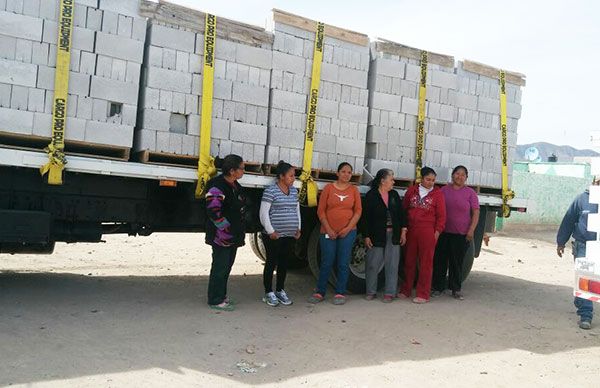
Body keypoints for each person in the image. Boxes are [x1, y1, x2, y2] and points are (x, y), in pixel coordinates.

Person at [309, 162, 362, 305]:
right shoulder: (328, 189)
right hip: (327, 232)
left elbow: (358, 211)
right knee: (327, 261)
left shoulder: (354, 190)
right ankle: (320, 292)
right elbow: (321, 211)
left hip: (348, 232)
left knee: (343, 263)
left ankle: (340, 292)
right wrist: (329, 229)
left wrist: (347, 228)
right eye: (343, 171)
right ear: (337, 173)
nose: (346, 174)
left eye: (349, 172)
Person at [205, 154, 247, 311]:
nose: (244, 171)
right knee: (219, 267)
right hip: (221, 238)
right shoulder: (217, 186)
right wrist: (226, 230)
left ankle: (222, 296)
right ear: (232, 170)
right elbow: (214, 211)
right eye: (242, 168)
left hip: (233, 237)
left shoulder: (236, 186)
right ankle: (215, 299)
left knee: (227, 267)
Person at [432, 165, 480, 300]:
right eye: (457, 173)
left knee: (457, 262)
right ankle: (438, 287)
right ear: (452, 175)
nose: (460, 176)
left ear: (466, 178)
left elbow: (476, 213)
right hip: (443, 232)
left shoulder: (470, 193)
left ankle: (456, 289)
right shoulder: (443, 191)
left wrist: (471, 230)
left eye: (463, 175)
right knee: (440, 261)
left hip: (461, 234)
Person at [400, 166, 446, 304]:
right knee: (409, 260)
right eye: (428, 179)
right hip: (412, 229)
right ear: (421, 178)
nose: (431, 182)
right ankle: (406, 289)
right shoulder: (411, 191)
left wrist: (436, 233)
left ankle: (423, 293)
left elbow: (442, 217)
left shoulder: (438, 195)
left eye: (433, 180)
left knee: (426, 263)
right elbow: (404, 208)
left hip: (427, 231)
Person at [259, 161, 301, 307]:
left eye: (293, 176)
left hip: (289, 234)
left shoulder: (294, 191)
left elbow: (296, 211)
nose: (293, 178)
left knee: (284, 263)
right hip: (274, 235)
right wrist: (271, 231)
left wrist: (298, 228)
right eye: (290, 176)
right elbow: (263, 213)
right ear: (281, 176)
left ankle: (280, 290)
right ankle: (268, 292)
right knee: (271, 262)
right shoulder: (271, 191)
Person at [557, 183, 598, 330]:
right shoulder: (581, 200)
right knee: (586, 279)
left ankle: (580, 300)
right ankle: (586, 315)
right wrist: (561, 242)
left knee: (588, 281)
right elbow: (568, 220)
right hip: (583, 246)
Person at [363, 168, 408, 302]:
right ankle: (371, 291)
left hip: (393, 235)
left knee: (392, 264)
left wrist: (403, 232)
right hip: (376, 235)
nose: (393, 181)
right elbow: (365, 218)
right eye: (391, 179)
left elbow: (401, 214)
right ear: (383, 181)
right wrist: (366, 235)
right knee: (372, 264)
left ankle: (390, 293)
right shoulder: (371, 195)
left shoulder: (394, 195)